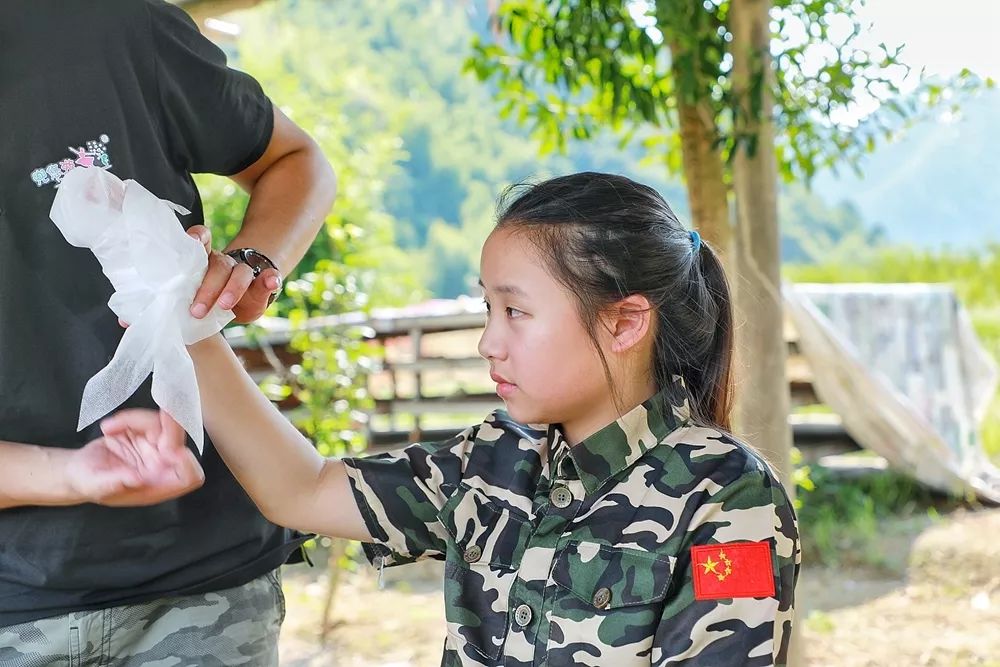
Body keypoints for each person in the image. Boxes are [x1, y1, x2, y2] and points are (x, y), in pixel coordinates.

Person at [107, 172, 800, 666]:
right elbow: (306, 489)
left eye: (516, 311)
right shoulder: (493, 457)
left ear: (624, 322)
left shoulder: (728, 495)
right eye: (487, 310)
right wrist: (186, 322)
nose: (489, 342)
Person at [0, 1, 335, 664]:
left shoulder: (115, 26)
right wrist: (74, 474)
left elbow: (297, 161)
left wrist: (253, 266)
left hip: (204, 585)